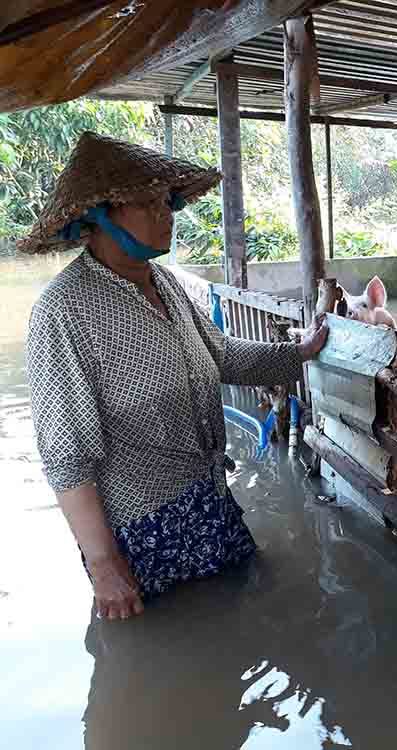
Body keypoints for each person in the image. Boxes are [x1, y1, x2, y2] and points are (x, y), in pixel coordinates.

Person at [20, 131, 328, 621]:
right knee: (158, 668)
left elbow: (224, 356)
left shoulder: (165, 281)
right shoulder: (64, 311)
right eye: (145, 202)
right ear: (97, 216)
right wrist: (104, 566)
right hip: (141, 534)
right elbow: (65, 456)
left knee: (237, 636)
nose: (164, 213)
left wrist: (301, 351)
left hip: (211, 500)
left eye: (166, 200)